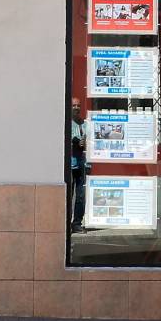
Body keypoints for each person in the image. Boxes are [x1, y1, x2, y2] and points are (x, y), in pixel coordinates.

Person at [70, 97, 90, 234]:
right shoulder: (66, 122)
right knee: (68, 195)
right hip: (69, 164)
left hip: (81, 163)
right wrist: (76, 141)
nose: (76, 108)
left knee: (81, 195)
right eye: (74, 105)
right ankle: (66, 223)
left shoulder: (84, 124)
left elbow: (89, 142)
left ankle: (77, 223)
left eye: (78, 105)